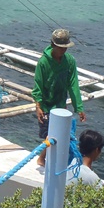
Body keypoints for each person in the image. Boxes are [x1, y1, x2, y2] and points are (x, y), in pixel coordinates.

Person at [32, 28, 86, 167]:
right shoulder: (43, 62)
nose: (63, 50)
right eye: (60, 47)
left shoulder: (69, 61)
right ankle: (41, 159)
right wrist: (38, 106)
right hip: (45, 105)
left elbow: (73, 84)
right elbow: (38, 85)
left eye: (65, 48)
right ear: (53, 45)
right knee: (49, 135)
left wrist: (78, 107)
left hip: (60, 105)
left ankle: (51, 160)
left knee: (61, 135)